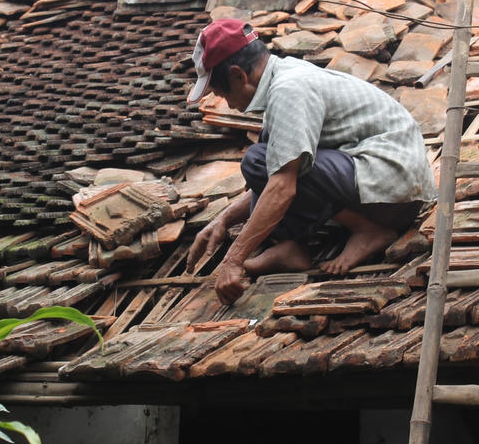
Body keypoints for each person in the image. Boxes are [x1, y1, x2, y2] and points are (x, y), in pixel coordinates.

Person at [185, 18, 436, 305]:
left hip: (393, 186)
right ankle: (291, 248)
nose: (228, 105)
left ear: (238, 75)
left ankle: (367, 230)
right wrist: (224, 219)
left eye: (222, 94)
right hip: (384, 184)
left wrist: (233, 260)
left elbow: (282, 185)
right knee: (267, 160)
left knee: (259, 161)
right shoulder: (282, 78)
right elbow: (274, 174)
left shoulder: (289, 89)